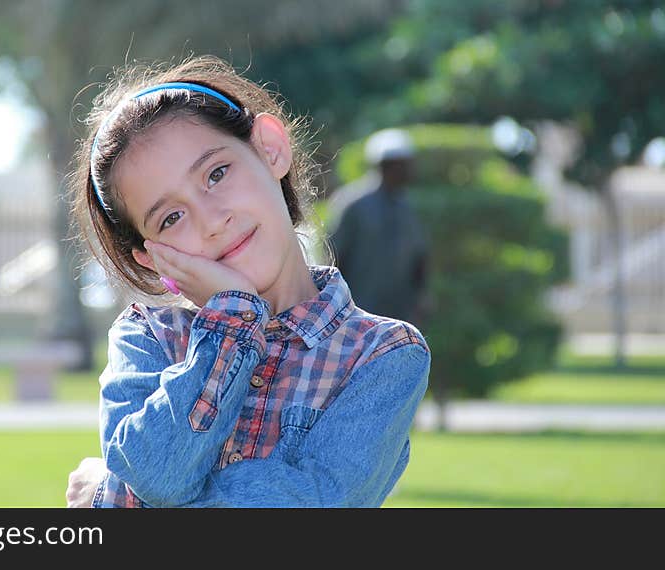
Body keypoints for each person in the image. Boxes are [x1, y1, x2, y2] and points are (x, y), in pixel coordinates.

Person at [64, 56, 430, 508]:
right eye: (172, 217)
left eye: (216, 174)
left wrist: (113, 497)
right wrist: (233, 317)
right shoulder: (147, 338)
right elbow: (158, 476)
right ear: (153, 256)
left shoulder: (383, 354)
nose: (212, 221)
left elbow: (317, 503)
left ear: (269, 148)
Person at [328, 128, 430, 328]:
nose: (411, 170)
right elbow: (334, 258)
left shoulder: (405, 205)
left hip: (399, 314)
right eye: (405, 164)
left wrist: (421, 297)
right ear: (388, 165)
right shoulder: (353, 204)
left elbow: (419, 256)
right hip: (359, 314)